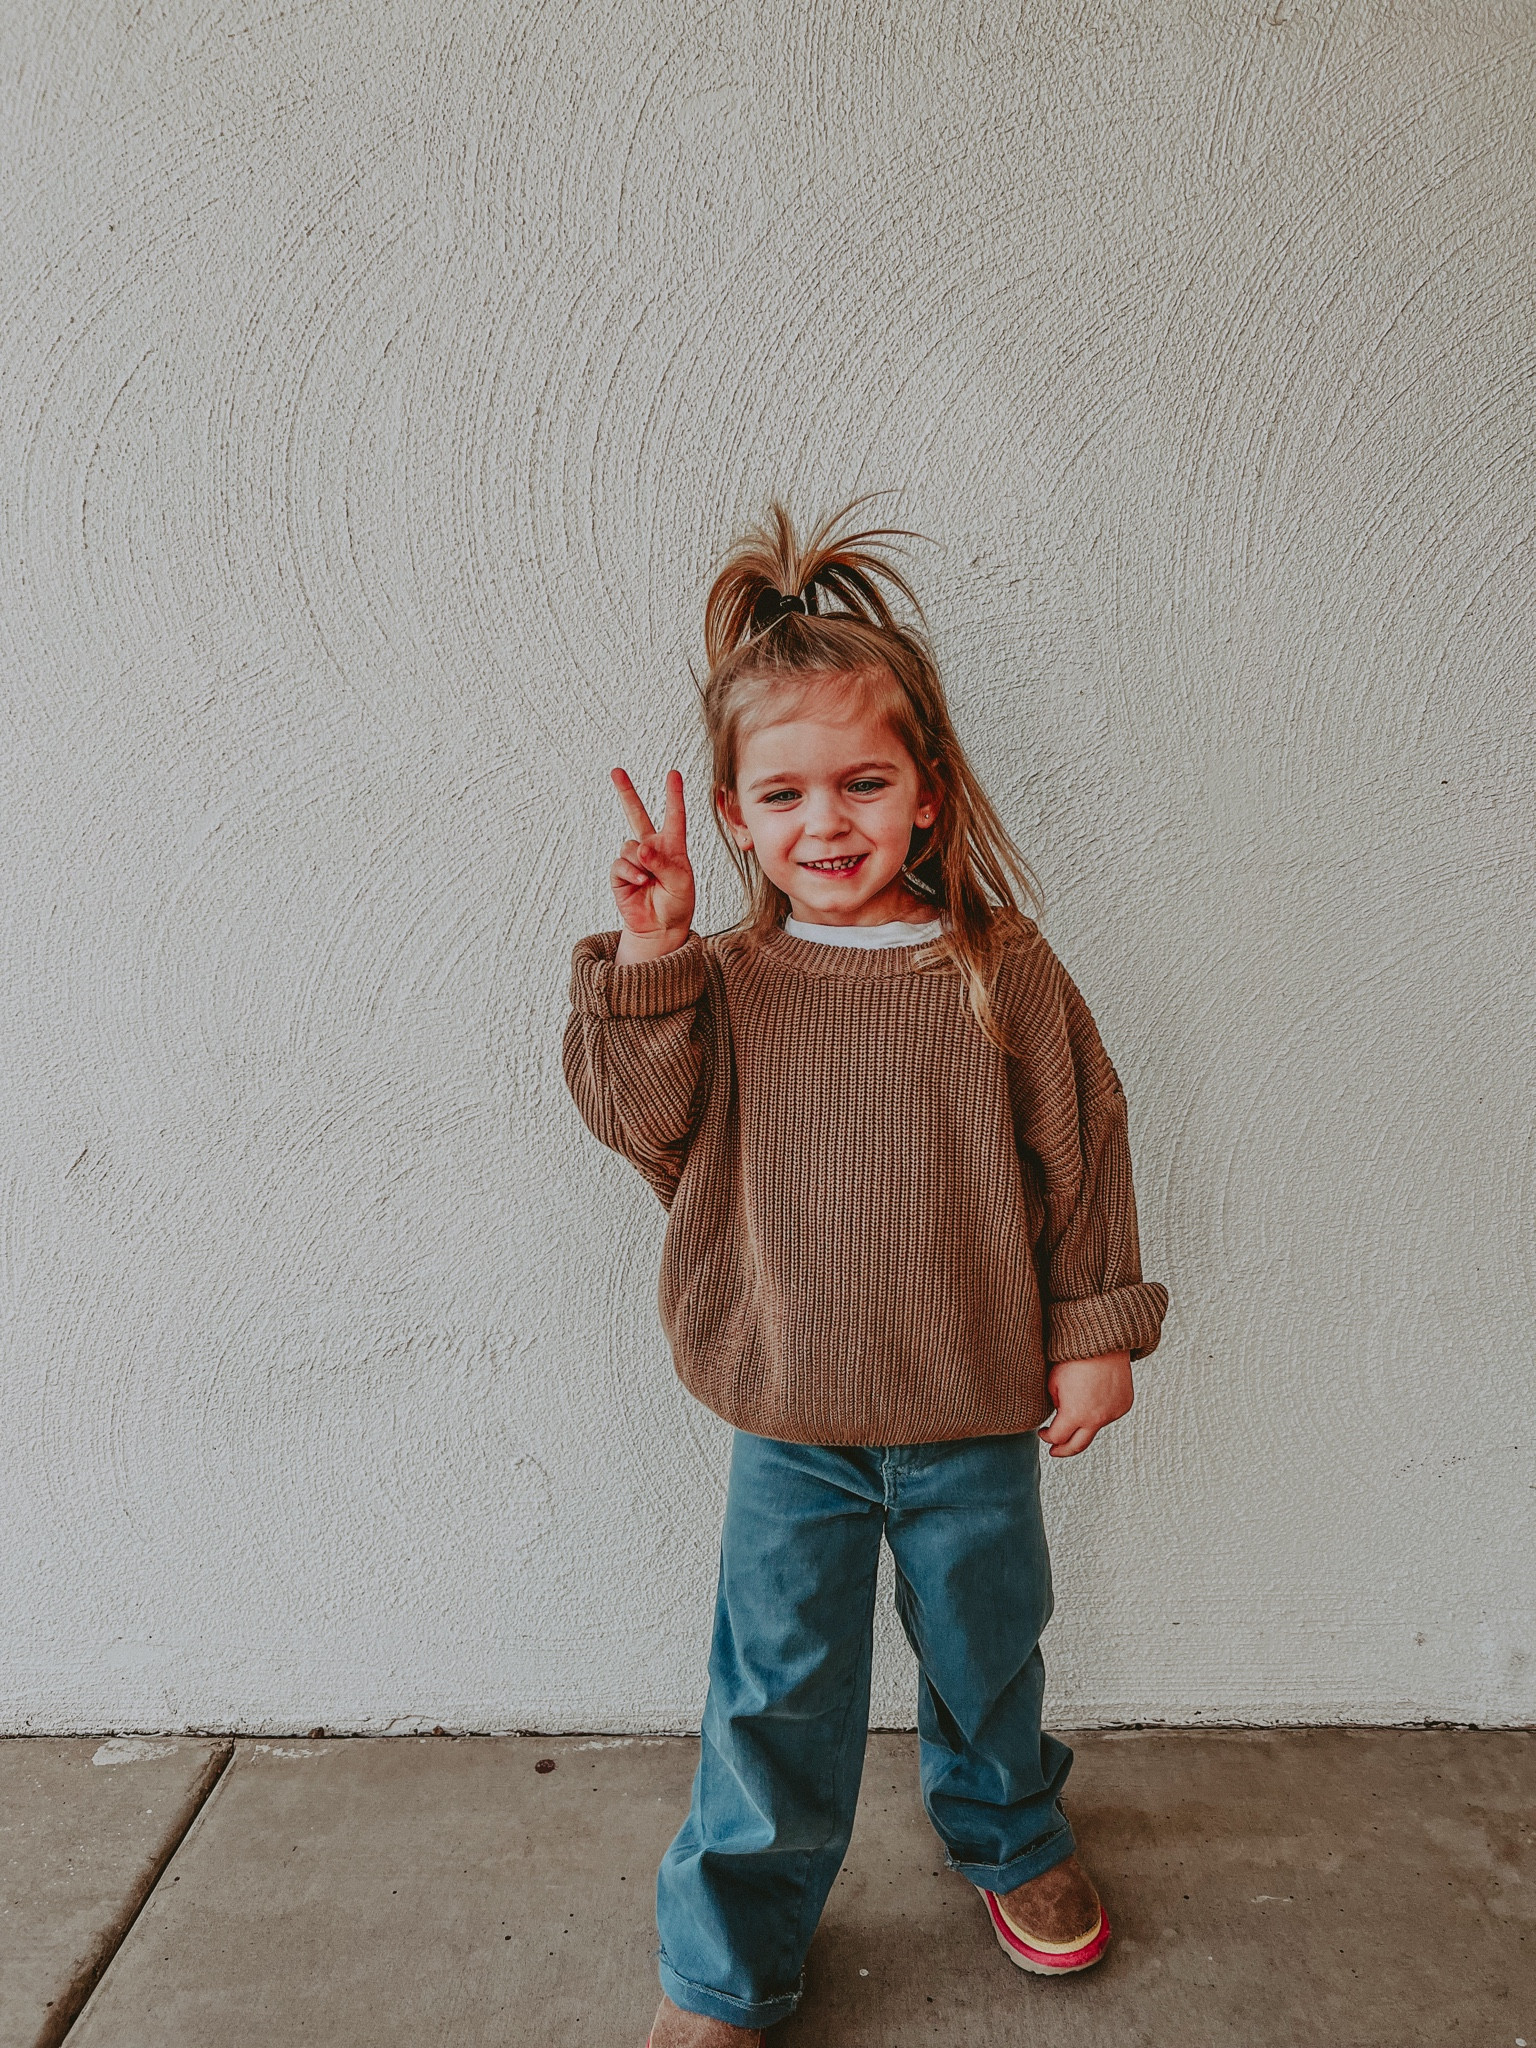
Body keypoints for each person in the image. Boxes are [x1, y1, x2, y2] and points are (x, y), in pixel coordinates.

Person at [562, 502, 1169, 2047]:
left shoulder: (998, 967)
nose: (824, 822)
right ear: (733, 816)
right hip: (795, 1416)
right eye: (784, 793)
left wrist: (1095, 1326)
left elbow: (1082, 1143)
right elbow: (639, 1123)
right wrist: (652, 952)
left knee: (987, 1649)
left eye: (862, 784)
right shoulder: (725, 985)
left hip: (973, 1404)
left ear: (927, 792)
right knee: (776, 1690)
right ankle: (727, 1957)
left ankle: (1008, 1831)